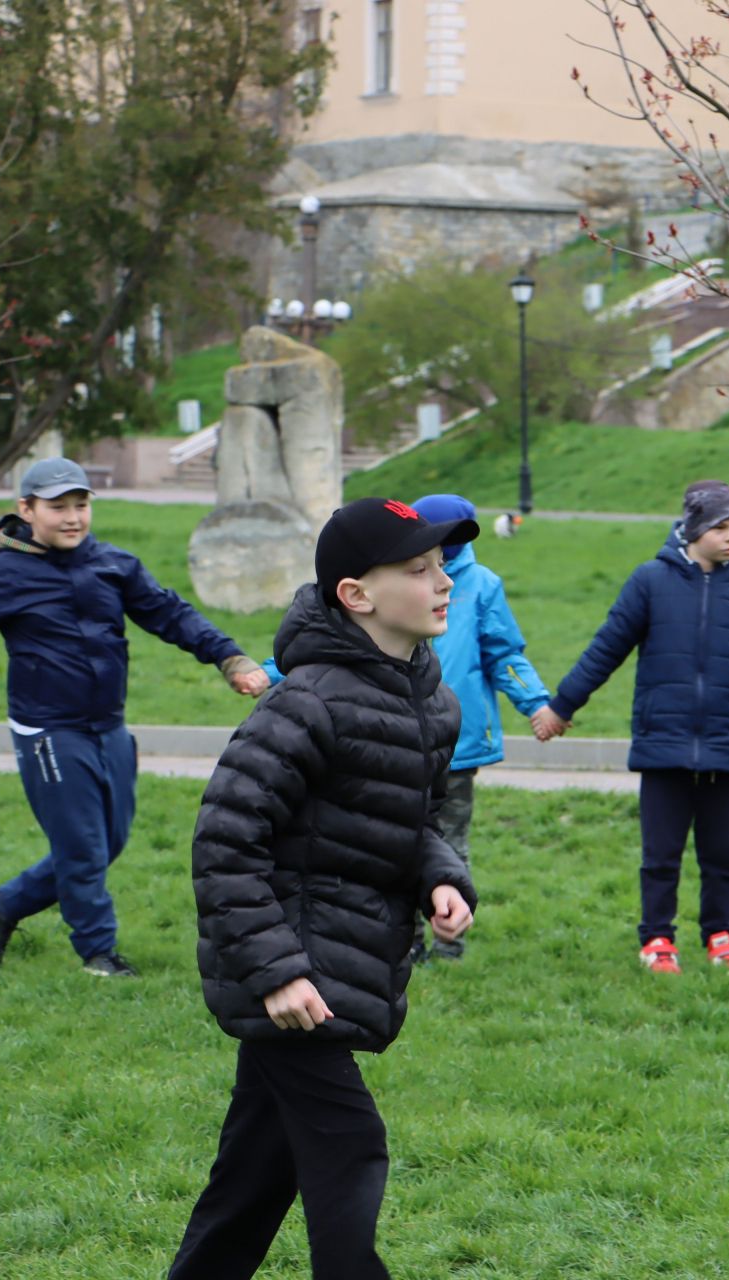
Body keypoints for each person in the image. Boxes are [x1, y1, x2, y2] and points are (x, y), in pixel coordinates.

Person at [168, 496, 479, 1279]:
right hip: (295, 972)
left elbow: (407, 822)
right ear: (356, 594)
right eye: (419, 569)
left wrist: (440, 877)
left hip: (341, 959)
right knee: (350, 1145)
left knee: (254, 1176)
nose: (443, 582)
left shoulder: (431, 703)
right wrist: (276, 971)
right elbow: (226, 839)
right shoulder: (305, 703)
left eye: (441, 565)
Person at [0, 458, 267, 979]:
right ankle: (98, 955)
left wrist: (229, 657)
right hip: (48, 730)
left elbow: (170, 613)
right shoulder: (4, 576)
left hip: (109, 725)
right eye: (58, 507)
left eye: (81, 505)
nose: (72, 517)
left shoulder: (112, 564)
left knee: (107, 843)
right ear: (26, 509)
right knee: (82, 848)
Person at [536, 480, 729, 974]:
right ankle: (657, 939)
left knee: (724, 856)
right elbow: (606, 648)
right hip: (664, 745)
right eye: (721, 527)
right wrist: (561, 707)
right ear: (694, 529)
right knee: (661, 856)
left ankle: (723, 937)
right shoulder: (649, 582)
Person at [406, 492, 560, 961]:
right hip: (396, 738)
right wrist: (273, 673)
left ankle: (449, 941)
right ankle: (404, 942)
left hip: (458, 740)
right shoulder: (396, 578)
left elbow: (503, 653)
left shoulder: (481, 584)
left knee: (449, 841)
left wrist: (536, 703)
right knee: (395, 839)